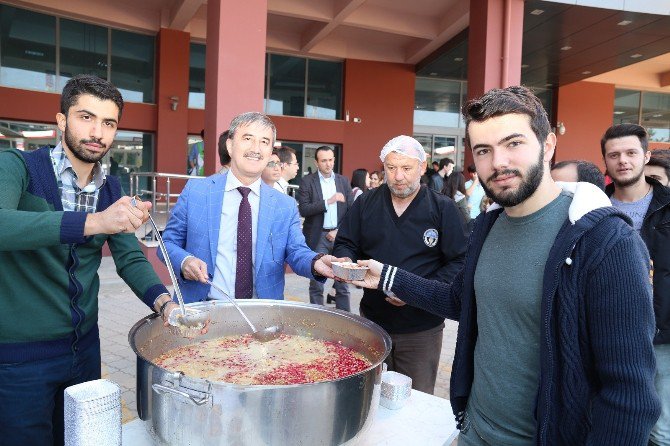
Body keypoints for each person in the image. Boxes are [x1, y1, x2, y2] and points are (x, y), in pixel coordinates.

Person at [351, 86, 660, 445]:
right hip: (473, 431)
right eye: (484, 150)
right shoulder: (487, 226)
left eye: (513, 143)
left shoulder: (606, 243)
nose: (498, 162)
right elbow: (462, 301)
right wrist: (387, 277)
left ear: (547, 147)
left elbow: (629, 396)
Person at [0, 74, 176, 446]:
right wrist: (96, 221)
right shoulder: (18, 167)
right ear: (62, 120)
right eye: (86, 117)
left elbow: (130, 258)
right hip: (19, 358)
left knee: (82, 439)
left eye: (108, 123)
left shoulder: (112, 188)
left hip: (85, 352)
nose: (97, 131)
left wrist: (165, 304)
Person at [333, 135, 467, 394]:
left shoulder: (442, 208)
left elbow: (460, 260)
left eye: (406, 168)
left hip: (421, 328)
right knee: (368, 394)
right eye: (391, 168)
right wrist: (346, 261)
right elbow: (345, 242)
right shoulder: (366, 203)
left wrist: (418, 290)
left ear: (422, 167)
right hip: (372, 321)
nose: (398, 176)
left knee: (415, 397)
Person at [160, 112, 341, 302]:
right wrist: (184, 261)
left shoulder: (284, 205)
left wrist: (316, 262)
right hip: (202, 313)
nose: (256, 148)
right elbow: (168, 243)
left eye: (264, 142)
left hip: (262, 317)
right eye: (248, 138)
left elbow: (297, 251)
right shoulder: (196, 192)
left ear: (271, 152)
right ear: (230, 146)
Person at [601, 123, 670, 446]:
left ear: (646, 156)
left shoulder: (668, 206)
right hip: (608, 331)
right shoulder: (594, 208)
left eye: (630, 153)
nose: (623, 161)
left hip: (663, 335)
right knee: (614, 421)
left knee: (661, 430)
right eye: (614, 155)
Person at [297, 146, 354, 311]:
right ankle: (317, 317)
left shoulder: (343, 181)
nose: (328, 164)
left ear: (334, 160)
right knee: (316, 282)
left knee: (343, 282)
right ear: (316, 162)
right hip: (318, 236)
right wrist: (327, 202)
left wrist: (339, 231)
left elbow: (351, 212)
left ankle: (346, 319)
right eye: (324, 161)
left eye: (330, 160)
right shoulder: (308, 181)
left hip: (339, 236)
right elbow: (304, 209)